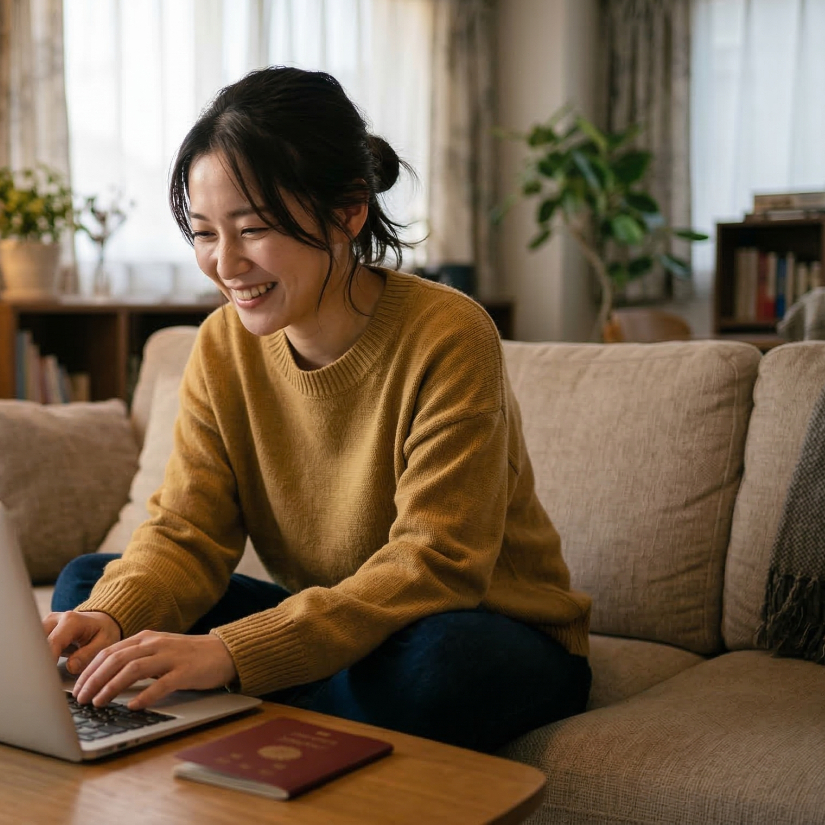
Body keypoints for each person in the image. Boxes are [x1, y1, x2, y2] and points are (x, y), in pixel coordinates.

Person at [43, 66, 592, 754]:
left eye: (253, 228)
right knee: (90, 585)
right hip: (349, 621)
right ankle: (300, 704)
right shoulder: (222, 346)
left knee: (440, 662)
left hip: (487, 626)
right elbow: (187, 531)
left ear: (347, 211)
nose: (226, 262)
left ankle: (253, 718)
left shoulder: (448, 333)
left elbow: (436, 564)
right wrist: (109, 617)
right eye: (206, 232)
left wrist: (231, 653)